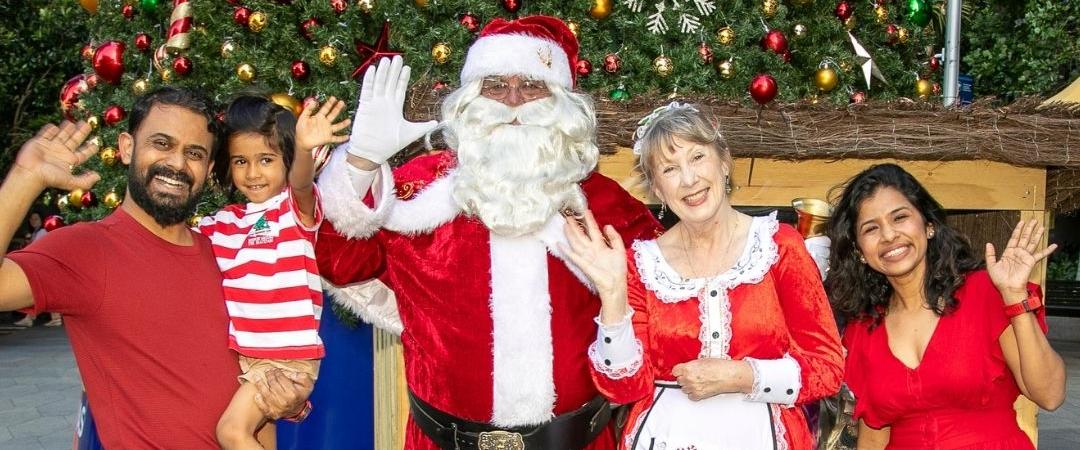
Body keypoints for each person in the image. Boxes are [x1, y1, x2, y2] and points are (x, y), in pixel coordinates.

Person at [314, 16, 661, 450]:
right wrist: (362, 163)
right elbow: (341, 263)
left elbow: (664, 306)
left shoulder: (605, 204)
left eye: (532, 85)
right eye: (495, 85)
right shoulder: (416, 189)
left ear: (561, 102)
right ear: (469, 99)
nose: (512, 101)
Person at [0, 87, 313, 448]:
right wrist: (25, 179)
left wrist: (291, 403)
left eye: (194, 153)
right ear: (127, 147)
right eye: (162, 144)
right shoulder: (87, 249)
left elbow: (255, 364)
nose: (177, 164)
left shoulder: (228, 251)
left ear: (209, 168)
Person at [561, 102, 844, 449]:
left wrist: (742, 376)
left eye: (697, 157)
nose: (689, 179)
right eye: (669, 169)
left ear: (724, 162)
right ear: (657, 190)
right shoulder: (642, 264)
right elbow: (624, 388)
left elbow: (828, 368)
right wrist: (612, 294)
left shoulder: (778, 245)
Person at [824, 163, 1067, 450]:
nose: (889, 236)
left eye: (900, 217)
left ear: (929, 226)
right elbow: (875, 435)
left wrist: (1014, 297)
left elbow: (1050, 395)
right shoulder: (862, 330)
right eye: (871, 228)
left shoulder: (986, 293)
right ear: (859, 252)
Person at [199, 95, 350, 449]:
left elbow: (300, 182)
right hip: (248, 354)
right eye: (240, 161)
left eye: (266, 160)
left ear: (284, 159)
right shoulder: (223, 224)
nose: (253, 173)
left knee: (231, 433)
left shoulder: (291, 211)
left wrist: (302, 148)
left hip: (285, 357)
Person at [13, 211, 62, 327]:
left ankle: (41, 317)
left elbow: (38, 248)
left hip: (44, 267)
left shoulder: (42, 231)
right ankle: (38, 317)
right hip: (43, 266)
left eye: (36, 219)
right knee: (44, 293)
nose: (33, 221)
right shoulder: (37, 232)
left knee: (42, 292)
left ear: (41, 220)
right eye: (31, 219)